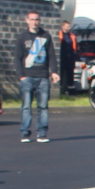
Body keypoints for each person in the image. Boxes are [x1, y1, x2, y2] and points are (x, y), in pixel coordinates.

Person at [14, 11, 60, 143]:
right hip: (27, 77)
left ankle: (42, 133)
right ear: (27, 21)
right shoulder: (22, 37)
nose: (35, 22)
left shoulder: (45, 36)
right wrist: (20, 76)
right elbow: (17, 57)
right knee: (26, 106)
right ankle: (25, 132)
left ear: (40, 21)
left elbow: (51, 55)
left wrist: (54, 72)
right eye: (32, 19)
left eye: (37, 20)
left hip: (43, 77)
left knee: (43, 106)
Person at [58, 20, 78, 95]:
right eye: (67, 26)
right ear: (63, 26)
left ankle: (71, 90)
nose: (69, 28)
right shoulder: (59, 34)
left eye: (69, 26)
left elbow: (75, 46)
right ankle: (62, 90)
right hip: (62, 57)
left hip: (70, 56)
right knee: (62, 73)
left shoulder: (71, 35)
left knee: (70, 73)